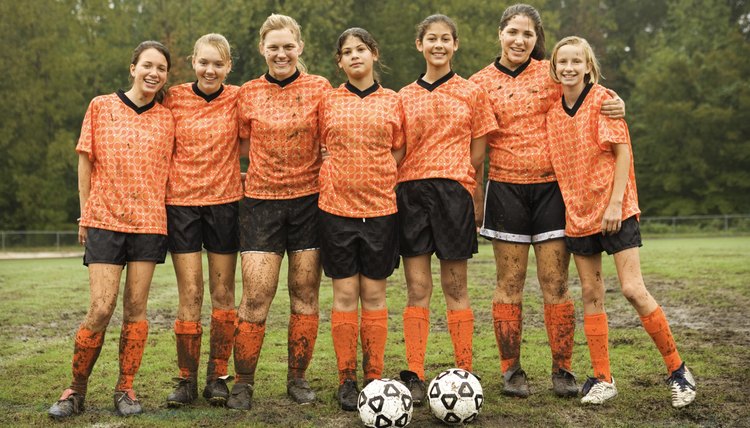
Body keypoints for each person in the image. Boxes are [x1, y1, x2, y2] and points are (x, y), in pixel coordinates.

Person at [469, 3, 624, 398]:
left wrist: (618, 105)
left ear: (537, 40)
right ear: (500, 34)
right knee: (510, 283)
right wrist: (474, 197)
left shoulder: (552, 73)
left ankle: (562, 370)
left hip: (553, 189)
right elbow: (475, 146)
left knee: (555, 283)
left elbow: (588, 94)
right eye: (513, 32)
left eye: (528, 34)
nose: (519, 40)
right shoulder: (480, 83)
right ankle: (511, 372)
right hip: (504, 189)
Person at [546, 35, 697, 408]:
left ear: (588, 67)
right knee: (591, 295)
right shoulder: (552, 113)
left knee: (632, 289)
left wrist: (615, 204)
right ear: (554, 67)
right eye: (562, 61)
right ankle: (603, 377)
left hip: (615, 209)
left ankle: (678, 371)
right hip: (578, 215)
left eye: (575, 62)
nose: (568, 67)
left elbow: (623, 154)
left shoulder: (603, 101)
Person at [47, 41, 174, 419]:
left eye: (161, 69)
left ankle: (125, 388)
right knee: (102, 308)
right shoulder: (101, 106)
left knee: (136, 309)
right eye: (147, 65)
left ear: (166, 76)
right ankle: (76, 390)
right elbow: (85, 161)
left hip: (150, 223)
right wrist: (85, 214)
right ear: (132, 67)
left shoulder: (168, 118)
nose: (154, 73)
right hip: (104, 220)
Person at [229, 13, 332, 410]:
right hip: (260, 204)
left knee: (304, 293)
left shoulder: (320, 88)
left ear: (300, 47)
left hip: (309, 202)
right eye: (273, 47)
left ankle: (298, 379)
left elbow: (331, 139)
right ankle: (243, 383)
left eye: (288, 46)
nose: (281, 53)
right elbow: (237, 144)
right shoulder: (248, 93)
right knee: (256, 295)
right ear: (262, 50)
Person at [396, 14, 498, 405]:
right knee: (418, 287)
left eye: (445, 39)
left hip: (453, 192)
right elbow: (397, 152)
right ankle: (415, 373)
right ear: (419, 44)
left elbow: (478, 154)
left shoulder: (471, 93)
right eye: (430, 39)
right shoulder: (402, 96)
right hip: (410, 193)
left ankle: (464, 370)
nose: (438, 45)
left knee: (456, 286)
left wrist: (469, 197)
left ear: (455, 45)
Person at [319, 27, 405, 411]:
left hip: (381, 211)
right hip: (336, 210)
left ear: (374, 54)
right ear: (339, 61)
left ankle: (373, 376)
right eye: (347, 51)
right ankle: (346, 378)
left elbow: (400, 151)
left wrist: (379, 175)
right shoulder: (327, 101)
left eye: (362, 49)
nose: (355, 56)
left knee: (373, 295)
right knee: (344, 295)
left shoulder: (393, 101)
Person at [162, 33, 241, 408]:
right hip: (181, 205)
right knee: (190, 293)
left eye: (218, 64)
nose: (210, 70)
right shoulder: (173, 96)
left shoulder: (239, 97)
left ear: (228, 66)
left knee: (223, 294)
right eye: (204, 62)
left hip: (226, 202)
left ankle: (217, 377)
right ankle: (186, 379)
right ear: (193, 61)